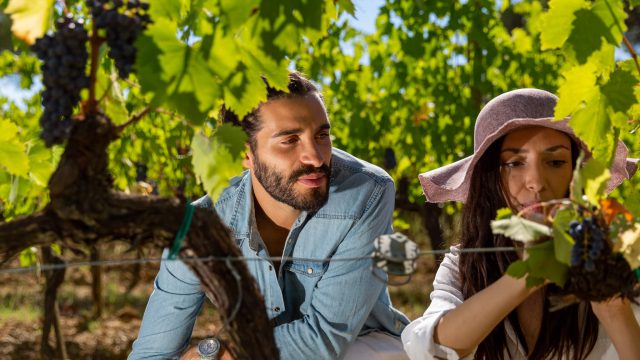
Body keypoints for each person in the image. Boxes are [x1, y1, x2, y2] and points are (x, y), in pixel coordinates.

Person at [129, 72, 409, 360]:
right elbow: (151, 354)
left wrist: (218, 355)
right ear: (244, 153)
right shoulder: (200, 228)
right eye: (290, 140)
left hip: (360, 349)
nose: (315, 156)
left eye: (322, 135)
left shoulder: (366, 191)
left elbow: (324, 338)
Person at [401, 88, 640, 360]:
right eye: (515, 163)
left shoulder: (614, 256)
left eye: (555, 161)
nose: (536, 182)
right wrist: (525, 277)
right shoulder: (464, 263)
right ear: (490, 180)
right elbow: (426, 350)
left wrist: (613, 309)